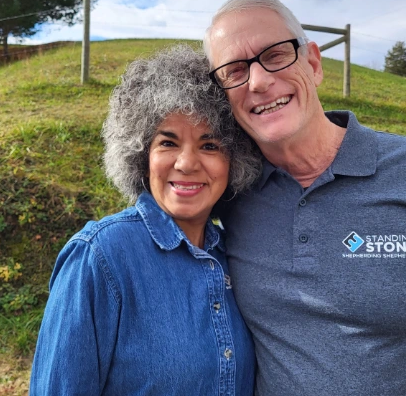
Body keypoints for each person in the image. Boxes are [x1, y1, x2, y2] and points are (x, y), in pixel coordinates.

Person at [204, 0, 406, 396]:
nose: (260, 81)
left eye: (276, 55)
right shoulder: (231, 193)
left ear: (313, 64)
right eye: (234, 71)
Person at [29, 45, 261, 395]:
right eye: (168, 142)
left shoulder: (235, 255)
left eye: (210, 145)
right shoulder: (99, 256)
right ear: (141, 155)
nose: (186, 163)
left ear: (235, 161)